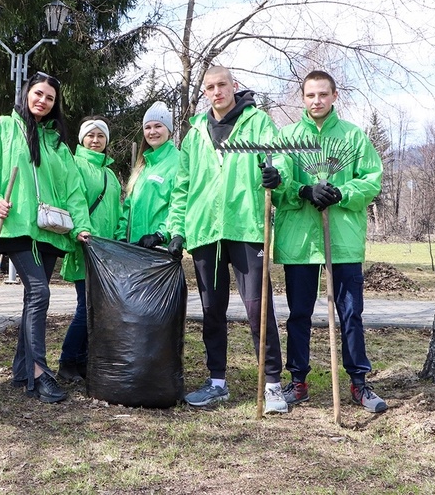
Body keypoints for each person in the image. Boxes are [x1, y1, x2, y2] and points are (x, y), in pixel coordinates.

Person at [166, 65, 290, 414]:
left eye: (222, 84)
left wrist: (276, 173)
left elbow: (279, 156)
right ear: (204, 92)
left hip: (246, 226)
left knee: (257, 308)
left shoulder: (258, 123)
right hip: (205, 230)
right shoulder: (194, 134)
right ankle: (216, 382)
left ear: (234, 86)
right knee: (212, 311)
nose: (216, 91)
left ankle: (272, 384)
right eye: (209, 87)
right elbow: (182, 187)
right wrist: (178, 229)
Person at [0, 71, 92, 404]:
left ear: (55, 105)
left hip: (50, 231)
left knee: (32, 300)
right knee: (39, 293)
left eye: (50, 98)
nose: (42, 101)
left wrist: (82, 226)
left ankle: (21, 370)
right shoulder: (1, 128)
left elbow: (75, 192)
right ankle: (40, 373)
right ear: (27, 93)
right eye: (38, 93)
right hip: (16, 227)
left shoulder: (58, 144)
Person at [273, 70, 387, 413]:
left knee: (350, 313)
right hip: (301, 240)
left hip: (342, 238)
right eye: (310, 95)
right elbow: (278, 185)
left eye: (323, 94)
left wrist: (341, 192)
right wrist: (303, 189)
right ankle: (298, 381)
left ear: (334, 96)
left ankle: (359, 383)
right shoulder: (288, 137)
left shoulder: (353, 137)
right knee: (299, 313)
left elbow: (372, 180)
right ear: (302, 97)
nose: (316, 101)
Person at [57, 116, 122, 383]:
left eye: (100, 136)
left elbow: (116, 211)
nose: (95, 141)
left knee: (95, 308)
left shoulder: (109, 173)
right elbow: (74, 201)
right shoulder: (76, 164)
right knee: (86, 308)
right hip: (85, 246)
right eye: (90, 135)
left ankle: (82, 361)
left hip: (106, 252)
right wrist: (80, 232)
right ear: (82, 138)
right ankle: (67, 360)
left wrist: (118, 241)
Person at [114, 101, 179, 247]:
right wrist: (122, 236)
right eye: (147, 127)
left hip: (159, 249)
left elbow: (180, 205)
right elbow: (128, 205)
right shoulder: (143, 165)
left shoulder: (178, 162)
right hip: (134, 248)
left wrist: (161, 235)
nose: (152, 132)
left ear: (169, 130)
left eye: (158, 126)